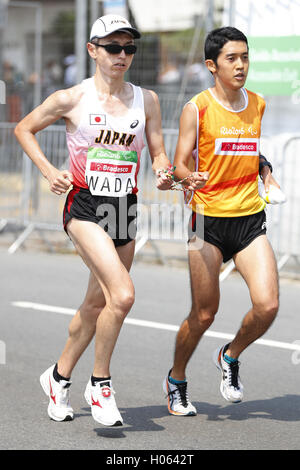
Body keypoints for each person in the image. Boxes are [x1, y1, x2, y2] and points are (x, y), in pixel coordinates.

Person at [15, 14, 207, 427]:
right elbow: (24, 128)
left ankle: (58, 377)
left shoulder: (147, 100)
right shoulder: (72, 98)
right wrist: (50, 171)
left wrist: (162, 170)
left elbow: (157, 151)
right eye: (112, 48)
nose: (122, 56)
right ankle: (99, 384)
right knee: (122, 295)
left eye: (129, 49)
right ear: (92, 51)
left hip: (125, 208)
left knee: (96, 303)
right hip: (84, 207)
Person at [163, 26, 280, 416]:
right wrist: (186, 176)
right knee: (204, 313)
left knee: (267, 306)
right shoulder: (196, 108)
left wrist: (266, 172)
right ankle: (176, 379)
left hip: (248, 218)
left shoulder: (258, 104)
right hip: (206, 223)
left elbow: (249, 151)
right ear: (212, 65)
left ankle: (230, 355)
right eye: (232, 58)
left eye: (245, 57)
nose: (241, 65)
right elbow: (180, 160)